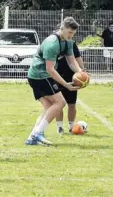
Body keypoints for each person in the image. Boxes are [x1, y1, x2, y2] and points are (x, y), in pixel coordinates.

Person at [25, 17, 82, 146]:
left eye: (73, 33)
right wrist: (65, 84)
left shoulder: (68, 42)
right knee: (60, 102)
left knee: (49, 108)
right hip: (39, 75)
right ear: (61, 28)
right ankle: (38, 133)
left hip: (42, 76)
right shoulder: (52, 43)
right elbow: (50, 69)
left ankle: (31, 138)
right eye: (69, 32)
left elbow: (72, 61)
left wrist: (80, 72)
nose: (71, 35)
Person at [56, 40, 85, 134]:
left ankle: (71, 126)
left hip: (71, 77)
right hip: (57, 76)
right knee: (58, 103)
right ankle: (59, 127)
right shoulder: (53, 43)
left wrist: (82, 72)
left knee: (72, 103)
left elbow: (77, 57)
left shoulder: (71, 43)